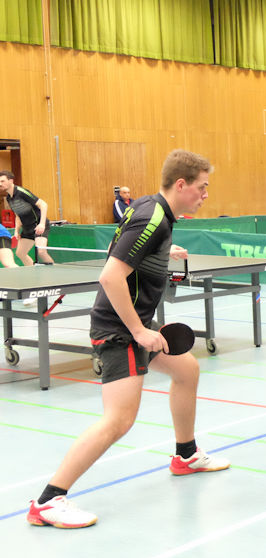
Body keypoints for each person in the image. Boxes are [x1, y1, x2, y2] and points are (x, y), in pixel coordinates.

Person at [26, 150, 230, 529]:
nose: (205, 195)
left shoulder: (151, 209)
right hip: (120, 330)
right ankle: (48, 500)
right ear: (181, 184)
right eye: (201, 188)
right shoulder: (153, 218)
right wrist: (138, 331)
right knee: (119, 420)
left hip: (135, 324)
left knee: (186, 370)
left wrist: (163, 252)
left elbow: (119, 250)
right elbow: (110, 275)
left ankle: (185, 455)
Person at [0, 170, 54, 267]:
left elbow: (43, 204)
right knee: (20, 253)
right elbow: (18, 215)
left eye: (2, 181)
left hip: (38, 225)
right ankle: (32, 272)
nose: (0, 184)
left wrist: (41, 224)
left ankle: (54, 273)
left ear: (11, 181)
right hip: (27, 228)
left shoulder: (21, 192)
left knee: (41, 252)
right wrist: (17, 231)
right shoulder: (9, 198)